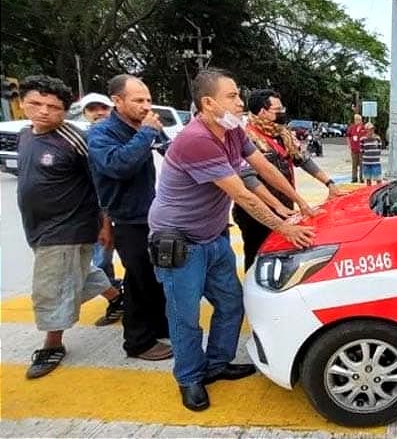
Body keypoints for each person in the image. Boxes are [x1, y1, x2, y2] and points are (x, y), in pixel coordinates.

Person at [148, 68, 317, 412]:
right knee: (185, 316)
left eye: (239, 95)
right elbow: (243, 196)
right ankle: (190, 377)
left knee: (230, 303)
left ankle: (217, 363)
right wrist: (284, 228)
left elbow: (260, 173)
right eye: (233, 96)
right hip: (180, 242)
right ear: (208, 103)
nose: (240, 102)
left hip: (213, 237)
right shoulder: (196, 138)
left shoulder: (232, 131)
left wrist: (295, 203)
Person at [16, 75, 123, 378]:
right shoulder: (26, 135)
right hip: (37, 225)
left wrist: (105, 223)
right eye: (36, 103)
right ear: (22, 102)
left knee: (50, 287)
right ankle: (118, 299)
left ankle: (52, 344)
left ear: (65, 110)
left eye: (53, 106)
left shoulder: (74, 139)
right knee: (79, 272)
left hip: (69, 226)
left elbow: (100, 183)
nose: (43, 111)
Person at [88, 74, 172, 361]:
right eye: (138, 100)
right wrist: (147, 133)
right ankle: (137, 342)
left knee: (157, 277)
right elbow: (118, 166)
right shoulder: (102, 133)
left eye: (148, 99)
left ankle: (161, 326)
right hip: (128, 218)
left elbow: (172, 155)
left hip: (156, 215)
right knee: (138, 280)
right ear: (117, 100)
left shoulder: (147, 126)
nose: (146, 106)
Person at [234, 88, 342, 271]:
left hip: (285, 208)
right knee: (257, 256)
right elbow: (250, 180)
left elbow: (303, 159)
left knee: (280, 253)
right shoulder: (248, 138)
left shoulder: (283, 134)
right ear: (262, 111)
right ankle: (254, 295)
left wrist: (329, 183)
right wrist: (278, 205)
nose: (282, 112)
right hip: (257, 212)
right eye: (278, 109)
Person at [79, 92, 125, 326]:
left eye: (103, 108)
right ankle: (116, 301)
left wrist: (106, 224)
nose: (98, 113)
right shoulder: (83, 139)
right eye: (91, 109)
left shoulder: (118, 137)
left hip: (115, 214)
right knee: (101, 263)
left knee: (101, 263)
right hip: (93, 215)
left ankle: (119, 300)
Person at [346, 114, 365, 182]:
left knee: (362, 164)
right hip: (354, 149)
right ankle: (354, 178)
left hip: (362, 149)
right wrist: (349, 144)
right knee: (354, 164)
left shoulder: (364, 128)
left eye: (358, 119)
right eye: (356, 119)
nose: (357, 121)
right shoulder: (351, 127)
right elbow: (348, 136)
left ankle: (361, 178)